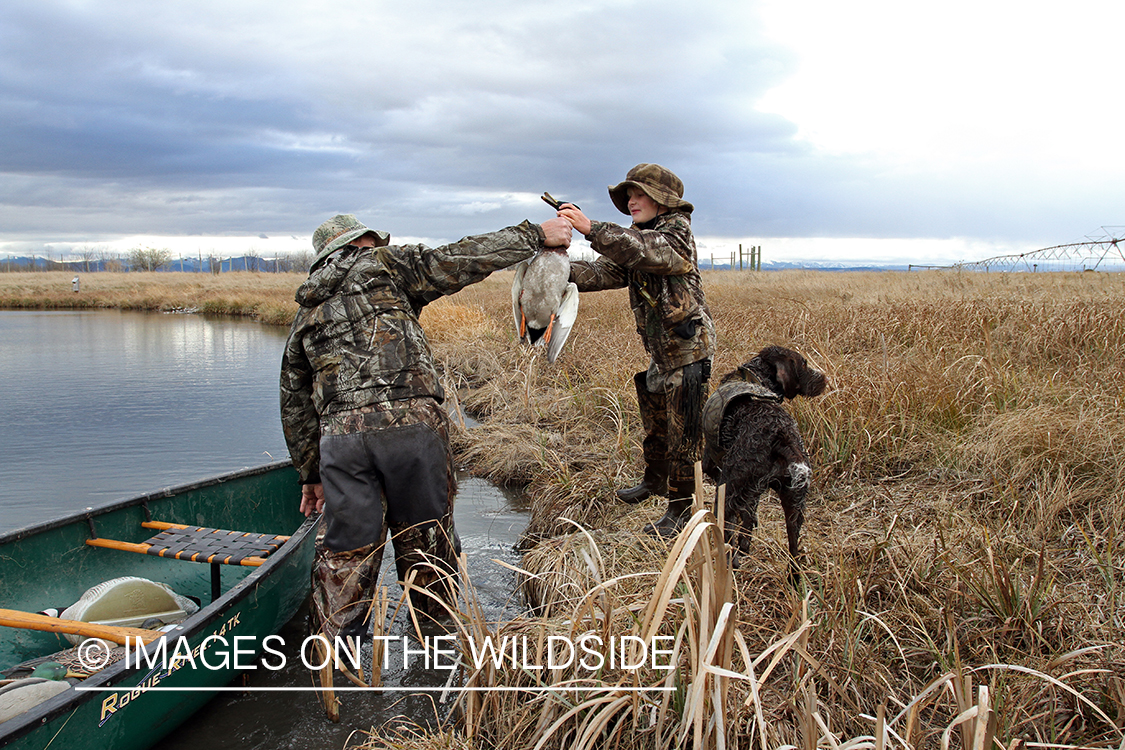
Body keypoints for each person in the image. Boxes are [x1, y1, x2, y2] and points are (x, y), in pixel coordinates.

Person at [280, 213, 572, 640]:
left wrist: (310, 473)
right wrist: (533, 235)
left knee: (345, 556)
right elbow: (462, 257)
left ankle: (332, 666)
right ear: (361, 242)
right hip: (411, 431)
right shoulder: (384, 265)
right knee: (427, 547)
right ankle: (434, 658)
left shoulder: (306, 312)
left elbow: (293, 401)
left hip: (341, 441)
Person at [558, 164, 715, 536]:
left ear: (662, 200)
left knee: (684, 435)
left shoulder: (675, 234)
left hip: (687, 349)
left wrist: (591, 228)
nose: (631, 201)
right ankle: (655, 483)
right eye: (628, 195)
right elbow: (603, 273)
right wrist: (554, 266)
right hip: (662, 352)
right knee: (656, 423)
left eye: (638, 193)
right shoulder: (638, 239)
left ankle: (680, 511)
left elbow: (653, 253)